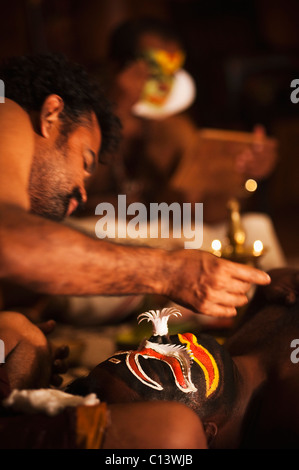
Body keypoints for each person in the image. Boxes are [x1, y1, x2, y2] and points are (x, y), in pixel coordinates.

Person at [0, 52, 271, 449]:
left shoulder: (172, 130)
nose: (82, 189)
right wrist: (167, 272)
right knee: (168, 434)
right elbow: (12, 245)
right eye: (86, 161)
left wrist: (18, 338)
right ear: (51, 115)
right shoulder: (7, 111)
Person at [66, 267, 299, 449]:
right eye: (164, 368)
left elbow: (274, 278)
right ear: (204, 434)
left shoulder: (254, 332)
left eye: (141, 350)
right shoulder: (285, 410)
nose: (156, 340)